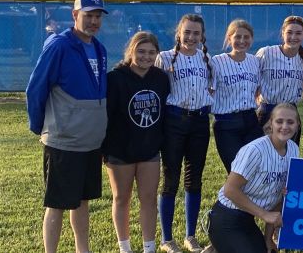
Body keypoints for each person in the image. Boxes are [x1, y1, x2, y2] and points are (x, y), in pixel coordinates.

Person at [26, 0, 109, 253]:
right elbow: (36, 87)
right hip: (64, 141)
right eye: (88, 15)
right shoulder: (59, 45)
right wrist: (39, 126)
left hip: (90, 141)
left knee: (83, 201)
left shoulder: (99, 47)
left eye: (98, 16)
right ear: (75, 15)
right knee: (57, 204)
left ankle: (81, 249)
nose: (94, 21)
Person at [102, 32, 171, 253]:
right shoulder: (115, 78)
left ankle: (149, 247)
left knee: (148, 199)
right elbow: (106, 115)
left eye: (151, 52)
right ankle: (125, 247)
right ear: (131, 51)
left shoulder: (160, 77)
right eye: (141, 51)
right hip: (120, 149)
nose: (146, 57)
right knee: (122, 198)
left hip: (149, 149)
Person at [155, 14, 216, 253]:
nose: (191, 37)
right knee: (170, 179)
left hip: (199, 121)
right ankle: (167, 239)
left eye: (196, 33)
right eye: (187, 32)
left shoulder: (206, 59)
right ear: (179, 33)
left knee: (194, 179)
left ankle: (190, 236)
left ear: (202, 36)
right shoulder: (165, 58)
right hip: (174, 120)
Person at [207, 103, 301, 253]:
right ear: (271, 123)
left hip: (248, 220)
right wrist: (264, 215)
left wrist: (268, 239)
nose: (285, 126)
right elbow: (230, 190)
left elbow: (279, 196)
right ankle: (218, 244)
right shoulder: (255, 150)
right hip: (227, 218)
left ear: (297, 125)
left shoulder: (294, 150)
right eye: (279, 121)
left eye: (290, 122)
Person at [211, 19, 263, 172]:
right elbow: (209, 90)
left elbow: (257, 90)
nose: (242, 41)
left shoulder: (254, 61)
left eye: (246, 37)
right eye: (237, 36)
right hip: (226, 122)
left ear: (252, 39)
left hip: (251, 120)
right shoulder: (217, 61)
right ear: (229, 38)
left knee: (255, 168)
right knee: (236, 171)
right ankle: (227, 197)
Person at [256, 15, 303, 145]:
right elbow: (252, 79)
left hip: (291, 111)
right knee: (265, 154)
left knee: (289, 154)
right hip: (268, 111)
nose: (293, 37)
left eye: (298, 33)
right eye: (289, 32)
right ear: (282, 33)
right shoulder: (266, 53)